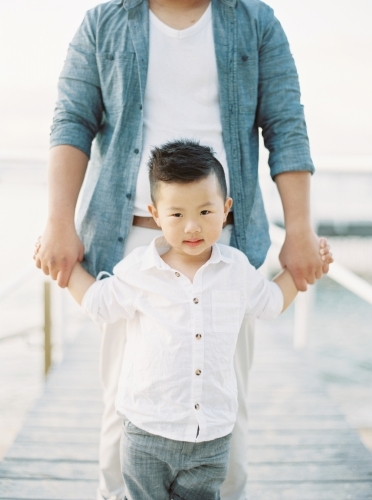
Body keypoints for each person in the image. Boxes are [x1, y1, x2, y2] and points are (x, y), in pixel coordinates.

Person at [34, 1, 331, 499]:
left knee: (226, 414)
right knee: (121, 418)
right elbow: (72, 119)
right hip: (128, 241)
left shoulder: (255, 21)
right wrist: (58, 222)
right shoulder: (104, 21)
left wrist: (299, 230)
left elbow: (286, 124)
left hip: (227, 243)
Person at [64, 140, 331, 500]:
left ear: (226, 209)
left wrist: (303, 272)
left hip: (211, 438)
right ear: (155, 215)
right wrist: (64, 269)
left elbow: (269, 302)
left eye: (206, 212)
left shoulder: (235, 268)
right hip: (145, 433)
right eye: (176, 215)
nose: (192, 226)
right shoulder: (137, 271)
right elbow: (98, 302)